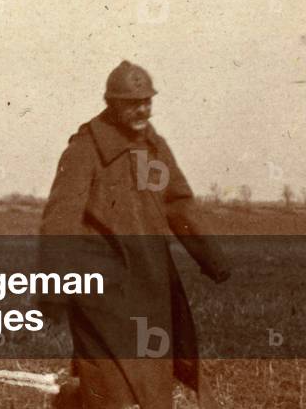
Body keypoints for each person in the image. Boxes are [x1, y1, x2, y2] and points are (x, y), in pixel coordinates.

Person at [40, 61, 230, 409]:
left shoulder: (155, 148)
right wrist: (54, 287)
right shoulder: (86, 149)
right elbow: (60, 221)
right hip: (100, 290)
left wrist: (213, 259)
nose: (143, 108)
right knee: (109, 382)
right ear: (111, 103)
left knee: (153, 380)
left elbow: (179, 205)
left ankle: (70, 401)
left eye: (147, 100)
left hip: (150, 286)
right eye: (132, 102)